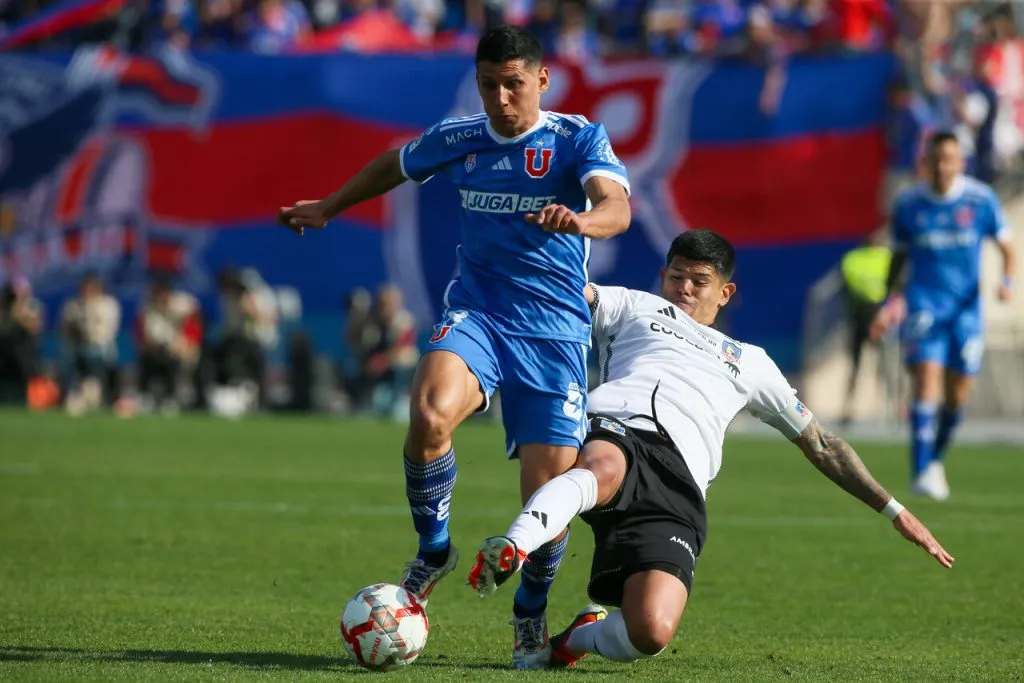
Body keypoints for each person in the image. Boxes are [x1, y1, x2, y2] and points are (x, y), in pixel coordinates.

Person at [277, 25, 631, 668]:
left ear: (542, 80)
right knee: (431, 413)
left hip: (553, 332)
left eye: (514, 84)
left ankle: (529, 611)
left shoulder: (576, 137)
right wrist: (330, 205)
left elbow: (617, 206)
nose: (501, 98)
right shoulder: (460, 137)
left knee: (546, 497)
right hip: (479, 312)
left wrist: (582, 220)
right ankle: (434, 548)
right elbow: (396, 163)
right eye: (490, 84)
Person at [468, 229, 954, 669]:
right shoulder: (635, 306)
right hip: (622, 431)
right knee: (603, 465)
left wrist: (894, 511)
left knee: (651, 631)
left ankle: (575, 640)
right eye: (676, 276)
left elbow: (822, 444)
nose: (683, 288)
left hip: (680, 486)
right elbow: (566, 296)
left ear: (725, 292)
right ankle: (513, 546)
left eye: (698, 281)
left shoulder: (751, 363)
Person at [871, 131, 1016, 501]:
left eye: (948, 159)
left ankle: (935, 459)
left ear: (960, 162)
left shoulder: (980, 200)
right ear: (926, 162)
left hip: (966, 313)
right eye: (934, 159)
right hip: (924, 305)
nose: (941, 166)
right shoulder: (909, 205)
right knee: (926, 379)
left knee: (957, 393)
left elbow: (1007, 247)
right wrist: (889, 304)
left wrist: (1008, 282)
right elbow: (898, 260)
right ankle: (920, 470)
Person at [838, 230, 892, 426]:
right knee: (858, 366)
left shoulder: (858, 259)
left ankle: (890, 410)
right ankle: (849, 408)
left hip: (879, 317)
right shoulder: (855, 260)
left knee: (884, 366)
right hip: (864, 317)